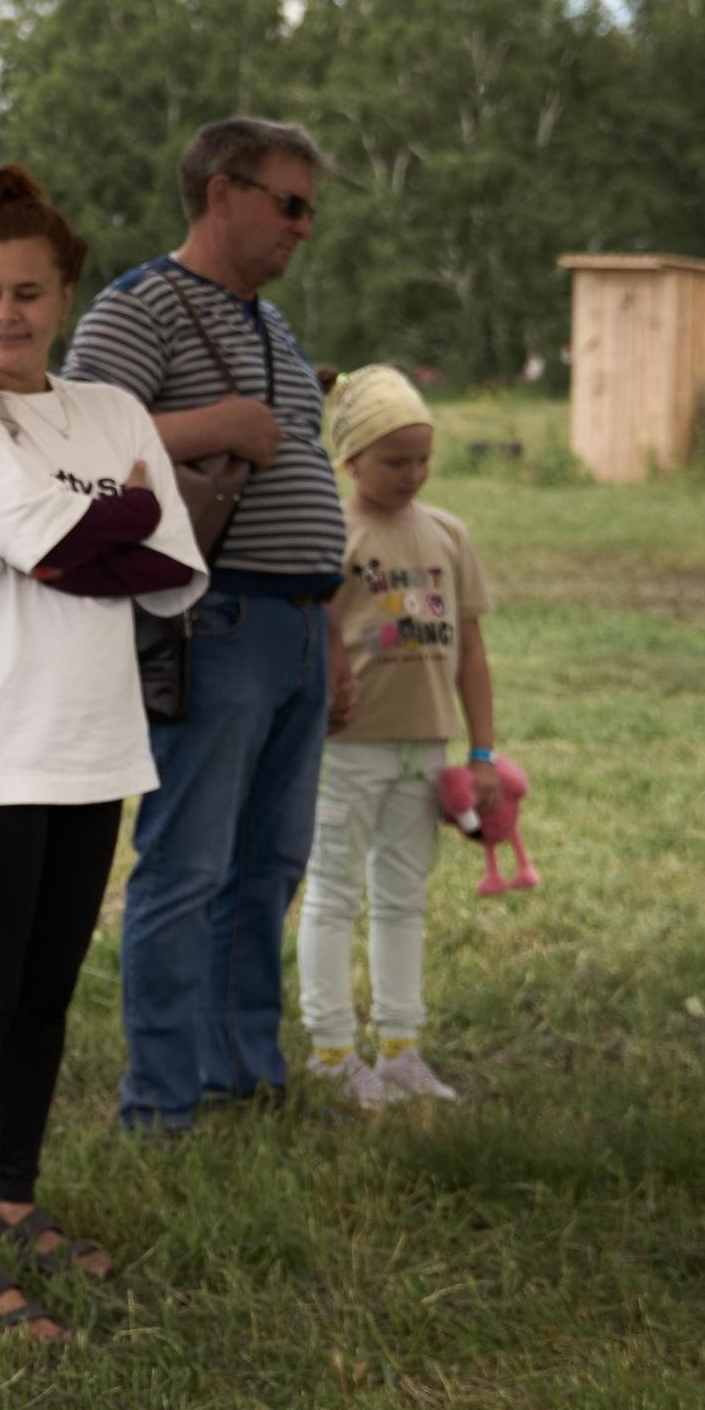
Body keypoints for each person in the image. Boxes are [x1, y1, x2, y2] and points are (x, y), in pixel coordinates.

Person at [0, 164, 205, 1331]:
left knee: (46, 998)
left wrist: (95, 533)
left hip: (94, 743)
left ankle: (15, 1194)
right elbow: (34, 538)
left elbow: (175, 575)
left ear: (65, 293)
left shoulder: (112, 411)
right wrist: (111, 517)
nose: (6, 315)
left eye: (28, 292)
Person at [63, 118, 351, 1133]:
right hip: (215, 619)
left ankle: (244, 1067)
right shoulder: (140, 306)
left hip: (299, 623)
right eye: (290, 202)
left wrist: (335, 633)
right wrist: (208, 427)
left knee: (271, 860)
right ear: (222, 194)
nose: (303, 227)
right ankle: (162, 1098)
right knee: (187, 866)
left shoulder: (267, 323)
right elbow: (73, 442)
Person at [297, 364, 497, 1109]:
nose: (411, 474)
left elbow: (472, 649)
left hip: (427, 746)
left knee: (403, 897)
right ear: (349, 459)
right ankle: (332, 1050)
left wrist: (481, 751)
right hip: (346, 749)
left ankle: (402, 1048)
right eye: (393, 459)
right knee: (334, 894)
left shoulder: (448, 532)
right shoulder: (332, 533)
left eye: (422, 458)